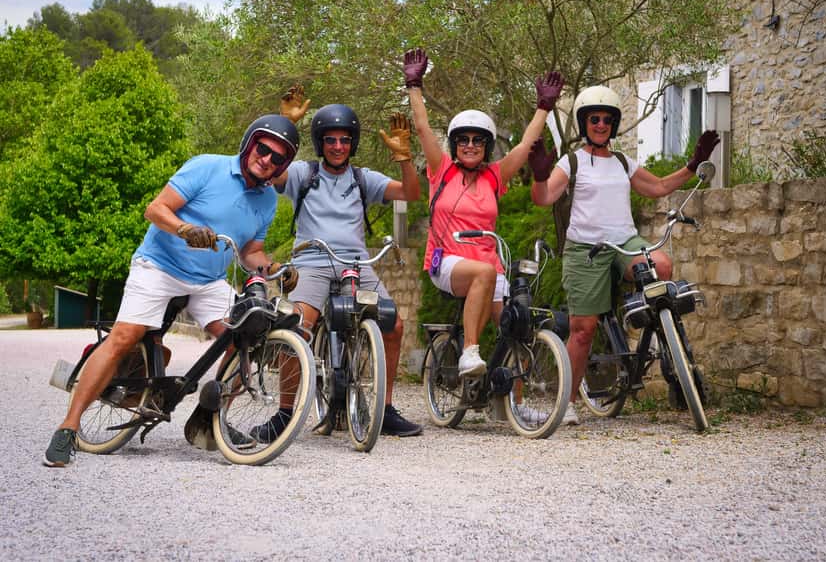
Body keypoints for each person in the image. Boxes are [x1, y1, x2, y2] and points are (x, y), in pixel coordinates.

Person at [43, 114, 302, 467]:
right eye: (263, 149)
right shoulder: (207, 167)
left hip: (208, 281)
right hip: (159, 267)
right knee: (124, 337)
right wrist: (184, 229)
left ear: (282, 166)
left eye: (278, 158)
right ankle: (68, 428)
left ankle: (211, 416)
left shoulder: (268, 201)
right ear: (249, 143)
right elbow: (155, 209)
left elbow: (251, 252)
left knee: (247, 337)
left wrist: (273, 269)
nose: (267, 159)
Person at [527, 84, 720, 425]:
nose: (600, 124)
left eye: (607, 119)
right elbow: (543, 198)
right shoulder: (571, 161)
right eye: (594, 119)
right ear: (585, 123)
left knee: (662, 265)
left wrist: (692, 165)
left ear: (613, 124)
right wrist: (540, 176)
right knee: (583, 329)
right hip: (586, 248)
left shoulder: (622, 162)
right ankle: (568, 402)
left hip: (625, 242)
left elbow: (658, 187)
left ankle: (667, 350)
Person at [251, 89, 424, 440]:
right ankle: (285, 414)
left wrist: (404, 157)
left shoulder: (364, 179)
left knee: (395, 325)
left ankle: (385, 410)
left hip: (357, 263)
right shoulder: (303, 173)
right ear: (319, 142)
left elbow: (412, 194)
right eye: (330, 139)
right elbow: (272, 174)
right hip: (311, 260)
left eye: (345, 140)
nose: (338, 146)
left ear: (353, 142)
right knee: (294, 327)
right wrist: (285, 125)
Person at [402, 47, 564, 381]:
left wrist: (544, 108)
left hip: (490, 265)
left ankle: (513, 403)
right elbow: (422, 128)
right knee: (483, 274)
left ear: (487, 145)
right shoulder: (441, 169)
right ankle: (469, 352)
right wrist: (414, 85)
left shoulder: (494, 176)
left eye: (478, 140)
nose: (471, 145)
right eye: (463, 140)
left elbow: (524, 146)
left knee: (514, 327)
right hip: (447, 260)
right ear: (455, 144)